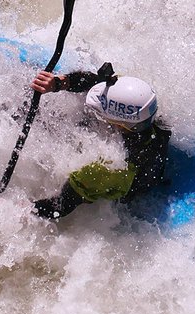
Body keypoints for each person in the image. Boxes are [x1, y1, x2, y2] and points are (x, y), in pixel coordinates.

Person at [30, 62, 171, 220]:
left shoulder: (106, 168)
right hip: (146, 162)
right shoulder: (143, 110)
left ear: (120, 125)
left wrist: (19, 210)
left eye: (101, 112)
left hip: (127, 183)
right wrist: (58, 83)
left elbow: (60, 206)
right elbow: (95, 81)